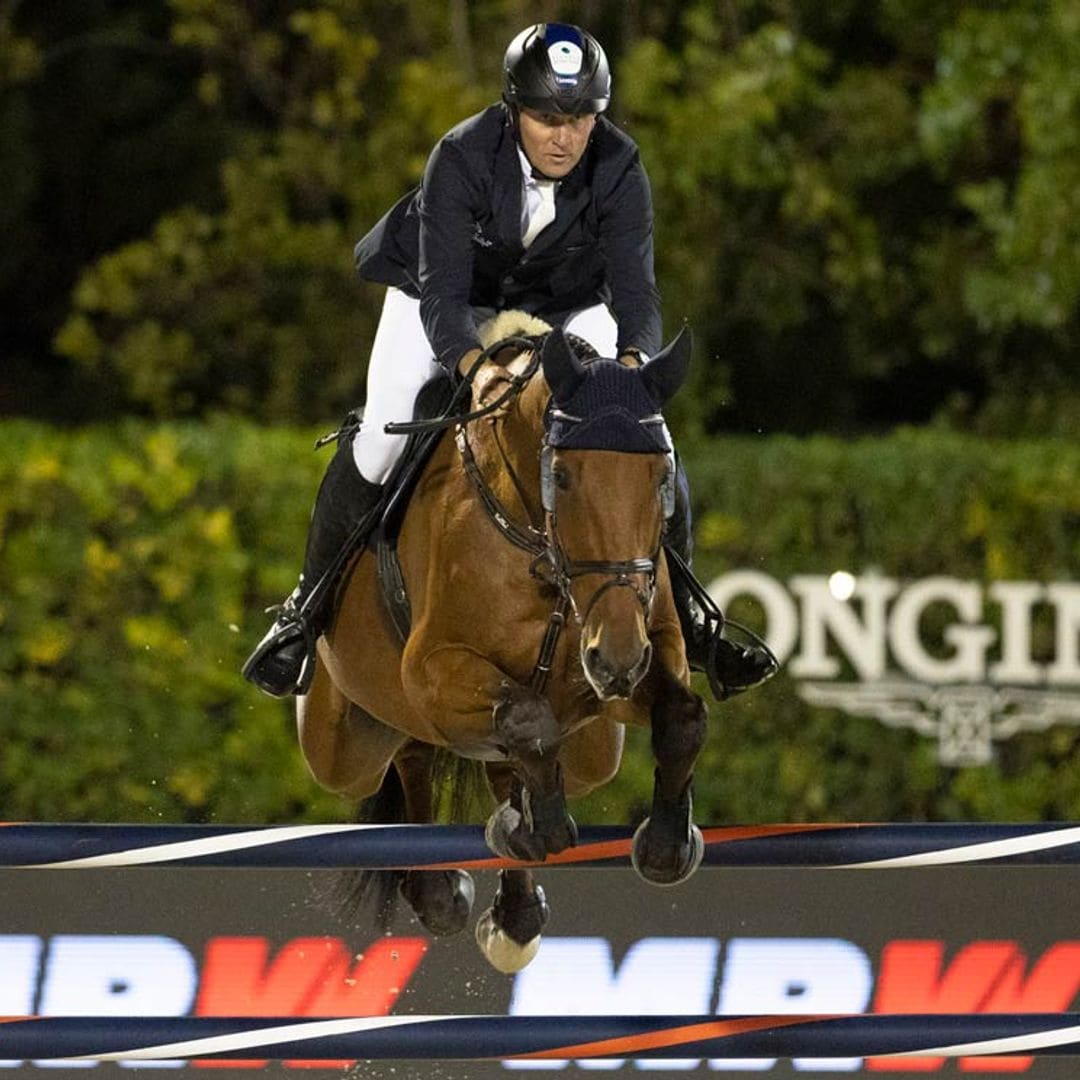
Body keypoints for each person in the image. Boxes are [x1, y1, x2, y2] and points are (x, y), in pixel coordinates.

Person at [243, 22, 774, 701]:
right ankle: (302, 612)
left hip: (563, 302)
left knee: (646, 433)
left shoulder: (619, 164)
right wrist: (475, 367)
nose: (565, 136)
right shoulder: (462, 156)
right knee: (381, 432)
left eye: (581, 117)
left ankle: (696, 624)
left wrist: (632, 374)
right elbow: (441, 296)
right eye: (548, 117)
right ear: (513, 110)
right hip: (444, 296)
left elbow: (637, 289)